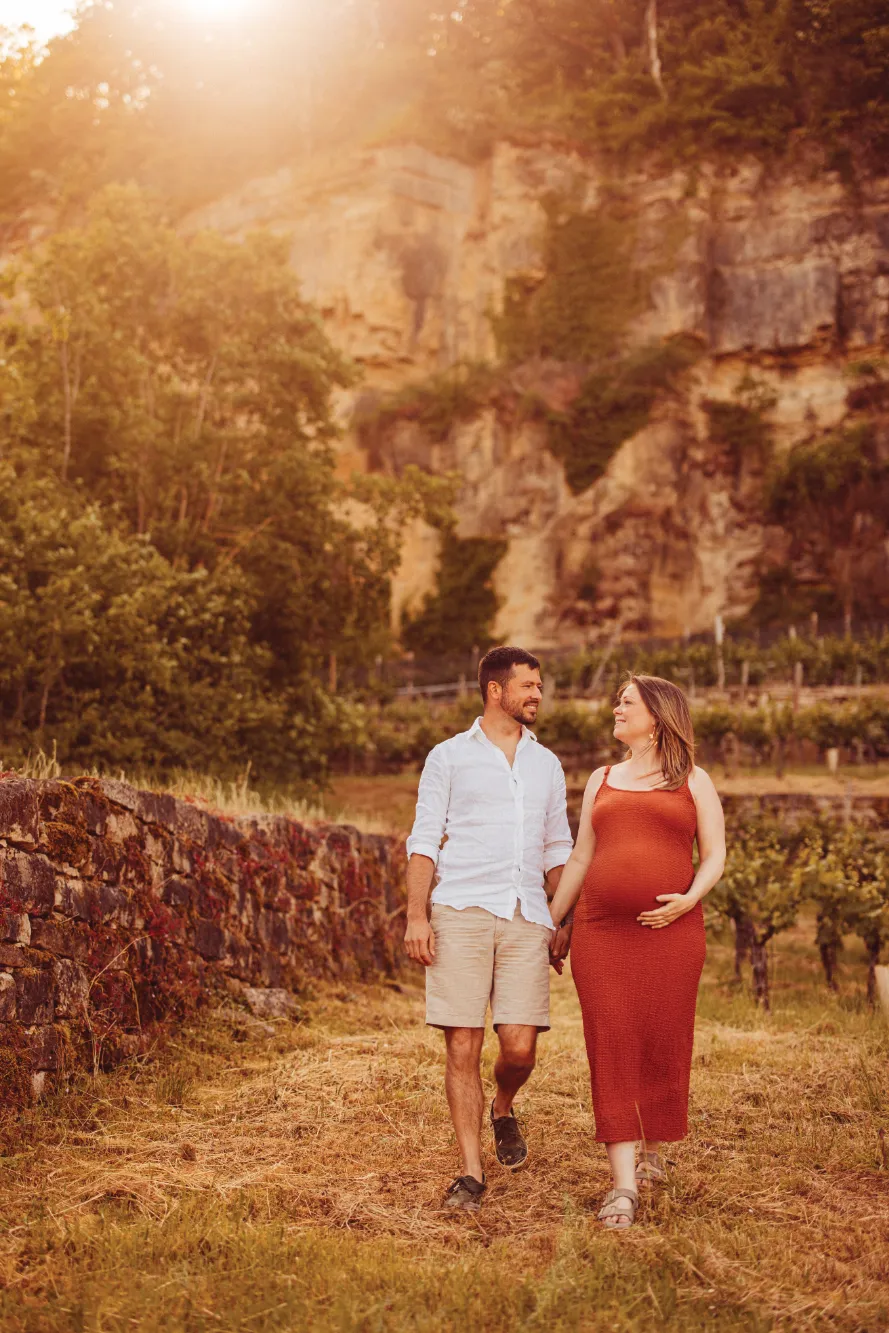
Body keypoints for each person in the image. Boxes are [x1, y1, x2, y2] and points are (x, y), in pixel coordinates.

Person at [548, 674, 725, 1230]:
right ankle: (622, 1185)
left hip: (672, 932)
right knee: (612, 1042)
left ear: (658, 714)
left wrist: (688, 899)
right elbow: (580, 859)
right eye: (619, 701)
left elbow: (715, 854)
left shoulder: (693, 780)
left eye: (628, 703)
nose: (616, 709)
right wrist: (549, 922)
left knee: (662, 1039)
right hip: (602, 933)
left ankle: (654, 1149)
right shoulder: (601, 777)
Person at [404, 646, 574, 1212]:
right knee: (462, 1044)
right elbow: (424, 841)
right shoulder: (448, 757)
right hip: (460, 909)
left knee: (520, 1049)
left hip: (527, 913)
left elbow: (557, 849)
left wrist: (564, 914)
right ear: (495, 690)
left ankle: (503, 1104)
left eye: (540, 686)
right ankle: (472, 1174)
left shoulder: (546, 764)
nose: (538, 695)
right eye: (528, 685)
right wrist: (417, 915)